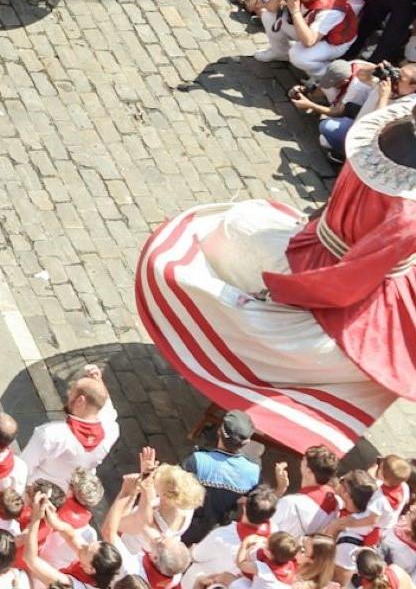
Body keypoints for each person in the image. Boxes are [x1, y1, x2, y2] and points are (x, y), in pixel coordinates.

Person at [138, 97, 416, 453]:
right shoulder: (407, 215)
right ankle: (288, 408)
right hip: (343, 275)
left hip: (316, 239)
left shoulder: (378, 133)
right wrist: (287, 291)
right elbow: (348, 284)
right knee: (384, 367)